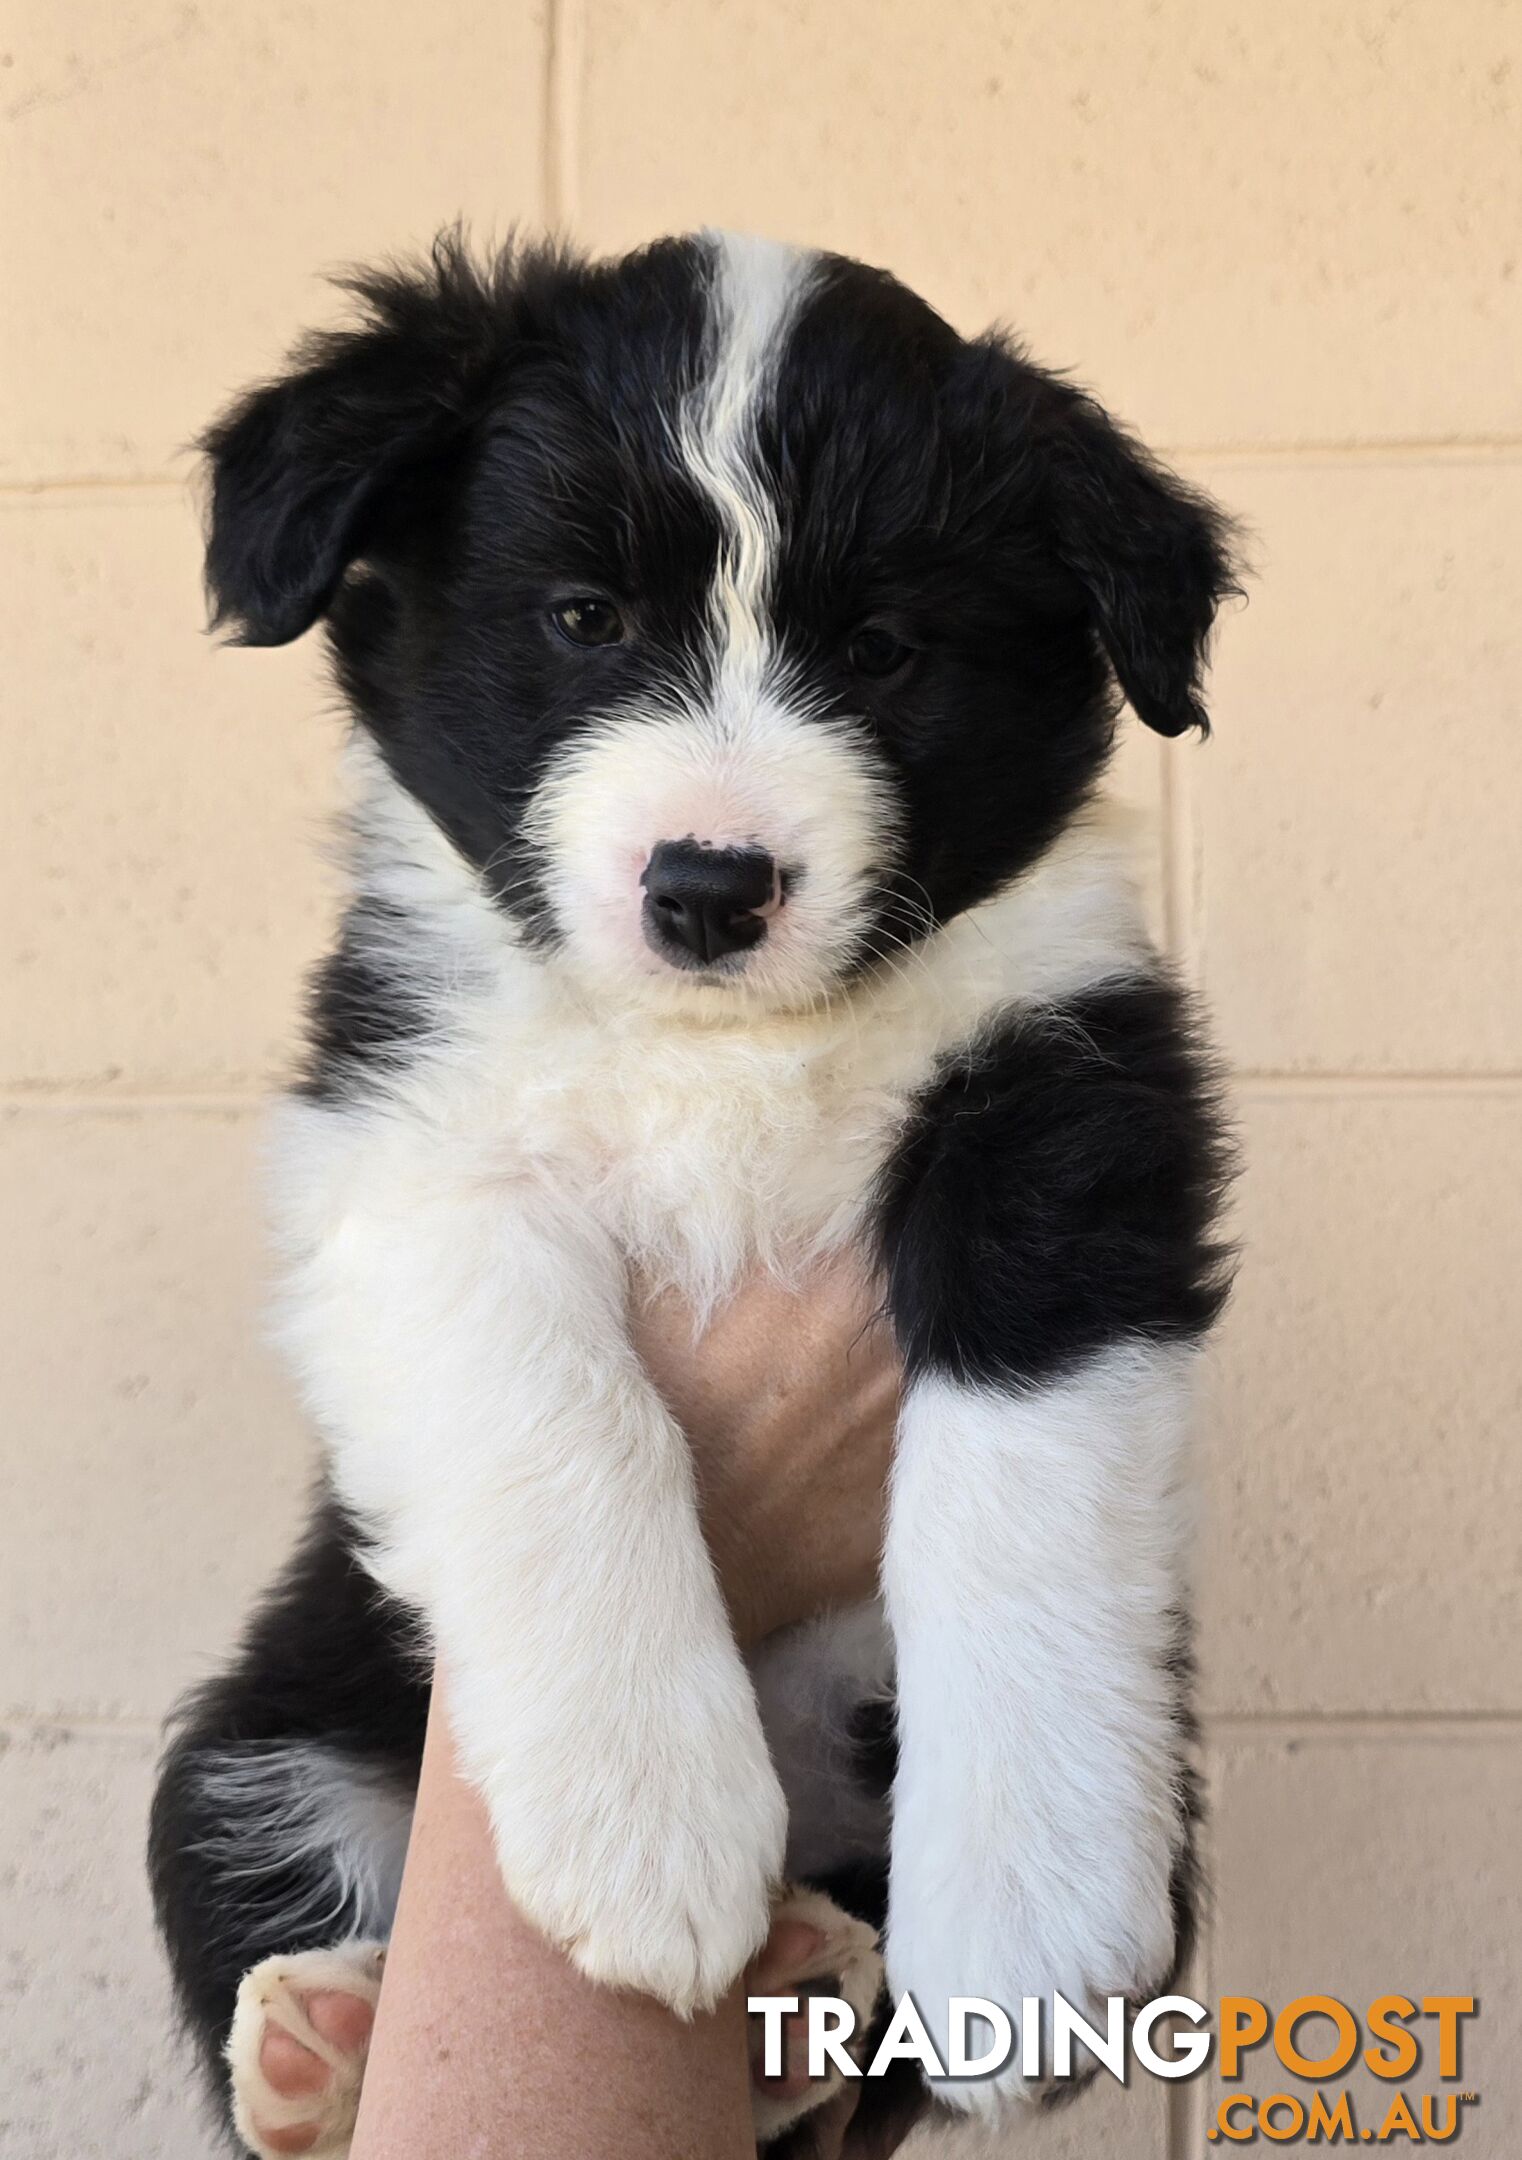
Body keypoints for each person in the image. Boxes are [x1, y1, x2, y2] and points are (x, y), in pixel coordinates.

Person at [343, 1257, 903, 2160]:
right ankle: (386, 2037)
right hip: (401, 1743)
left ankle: (788, 2077)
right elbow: (377, 1227)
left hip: (864, 1782)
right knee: (228, 1798)